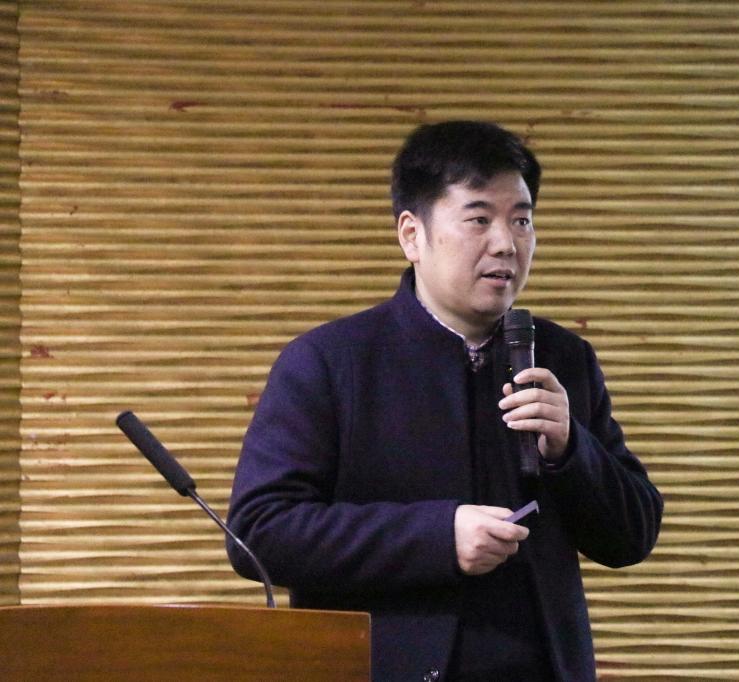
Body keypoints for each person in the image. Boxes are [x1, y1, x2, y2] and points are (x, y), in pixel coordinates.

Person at [226, 120, 663, 681]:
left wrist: (569, 448)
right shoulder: (330, 363)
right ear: (412, 234)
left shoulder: (563, 357)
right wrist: (437, 536)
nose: (506, 243)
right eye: (479, 219)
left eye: (522, 220)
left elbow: (633, 535)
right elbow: (259, 533)